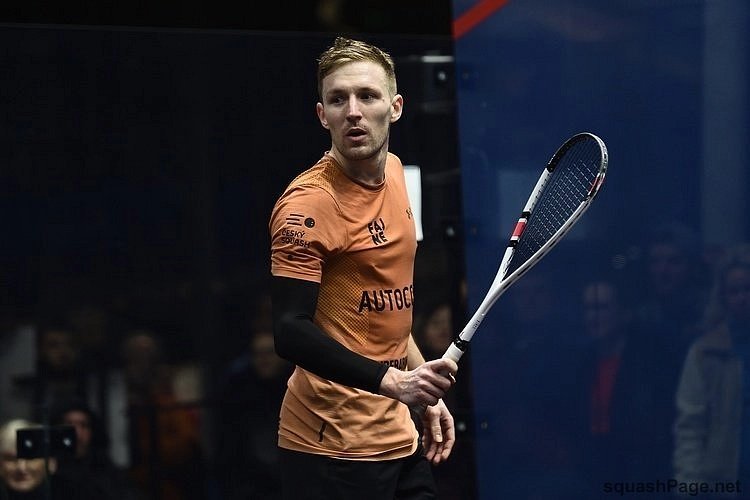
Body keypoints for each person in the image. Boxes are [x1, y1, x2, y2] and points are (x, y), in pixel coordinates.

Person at [268, 36, 458, 500]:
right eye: (338, 100)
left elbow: (384, 310)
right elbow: (290, 331)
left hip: (398, 434)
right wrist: (396, 382)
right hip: (330, 449)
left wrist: (422, 390)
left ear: (395, 107)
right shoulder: (307, 205)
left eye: (367, 96)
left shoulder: (395, 172)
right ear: (323, 115)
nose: (353, 111)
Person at [673, 243, 750, 491]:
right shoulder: (705, 352)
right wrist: (689, 484)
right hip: (722, 482)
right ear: (723, 296)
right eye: (734, 291)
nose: (742, 298)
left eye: (748, 289)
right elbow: (691, 424)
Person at [0, 418, 93, 500]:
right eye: (11, 459)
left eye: (30, 458)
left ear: (50, 463)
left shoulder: (75, 494)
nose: (22, 468)